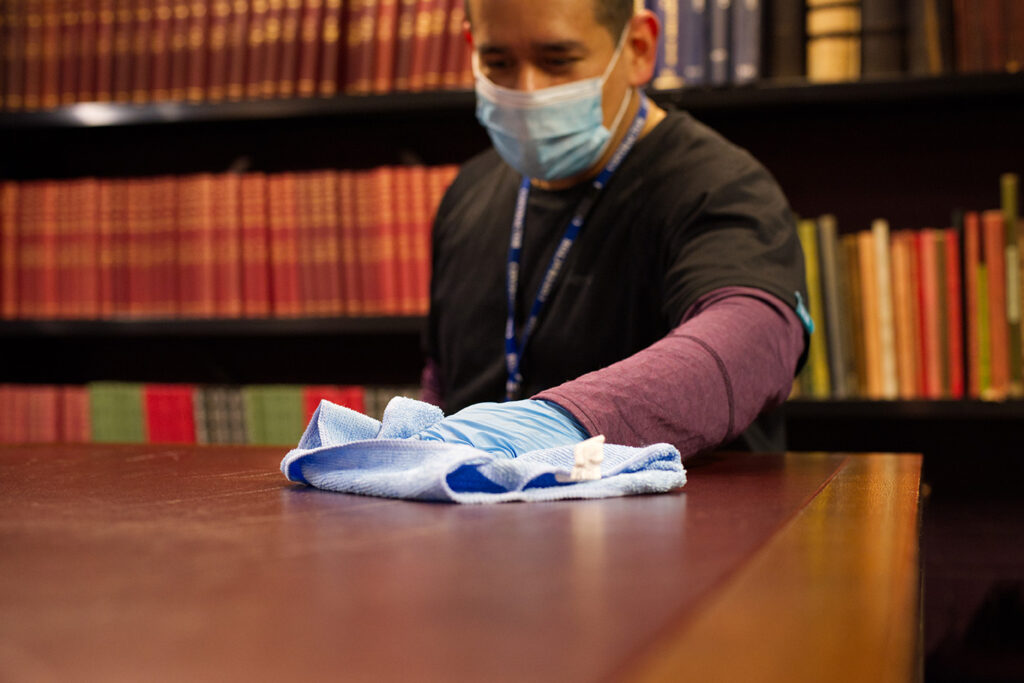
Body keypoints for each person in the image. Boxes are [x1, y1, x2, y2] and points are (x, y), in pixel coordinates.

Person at [414, 0, 812, 461]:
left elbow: (755, 340)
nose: (527, 89)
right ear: (471, 46)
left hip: (678, 527)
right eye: (497, 62)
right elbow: (441, 380)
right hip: (485, 521)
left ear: (639, 49)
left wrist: (559, 426)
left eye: (558, 61)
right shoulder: (469, 190)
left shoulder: (718, 185)